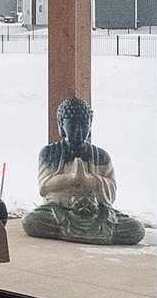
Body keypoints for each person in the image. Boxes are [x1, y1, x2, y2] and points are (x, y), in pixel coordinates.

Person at [21, 95, 145, 246]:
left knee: (136, 229)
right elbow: (44, 188)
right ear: (61, 125)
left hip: (97, 213)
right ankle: (92, 234)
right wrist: (71, 179)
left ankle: (71, 232)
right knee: (31, 221)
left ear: (90, 124)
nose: (79, 131)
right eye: (73, 126)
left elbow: (111, 190)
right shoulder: (49, 153)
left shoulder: (101, 155)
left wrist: (89, 181)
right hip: (61, 211)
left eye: (84, 125)